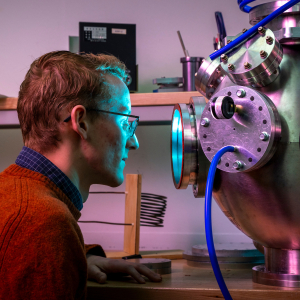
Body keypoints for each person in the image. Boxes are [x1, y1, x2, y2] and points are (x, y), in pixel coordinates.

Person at [0, 51, 162, 299]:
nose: (134, 142)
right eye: (125, 121)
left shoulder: (14, 197)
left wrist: (78, 256)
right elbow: (34, 236)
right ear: (82, 123)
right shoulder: (43, 225)